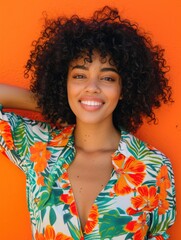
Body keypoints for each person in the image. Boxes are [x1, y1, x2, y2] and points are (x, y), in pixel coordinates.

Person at [0, 5, 176, 240]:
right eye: (79, 76)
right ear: (64, 82)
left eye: (107, 77)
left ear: (123, 89)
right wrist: (56, 104)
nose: (92, 87)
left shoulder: (153, 167)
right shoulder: (38, 148)